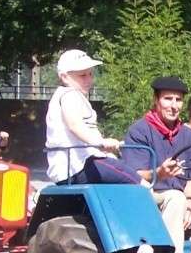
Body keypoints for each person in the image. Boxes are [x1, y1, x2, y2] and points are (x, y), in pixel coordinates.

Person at [121, 76, 191, 253]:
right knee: (175, 197)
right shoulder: (140, 131)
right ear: (156, 100)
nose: (174, 105)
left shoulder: (189, 135)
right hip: (146, 193)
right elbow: (133, 175)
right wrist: (159, 173)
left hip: (180, 197)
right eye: (168, 99)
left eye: (178, 100)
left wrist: (190, 207)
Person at [45, 49, 142, 185]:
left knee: (121, 168)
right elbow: (75, 126)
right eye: (82, 75)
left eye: (90, 74)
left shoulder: (71, 95)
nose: (89, 79)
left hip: (75, 166)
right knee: (139, 182)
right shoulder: (69, 95)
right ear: (64, 77)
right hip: (78, 166)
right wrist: (101, 142)